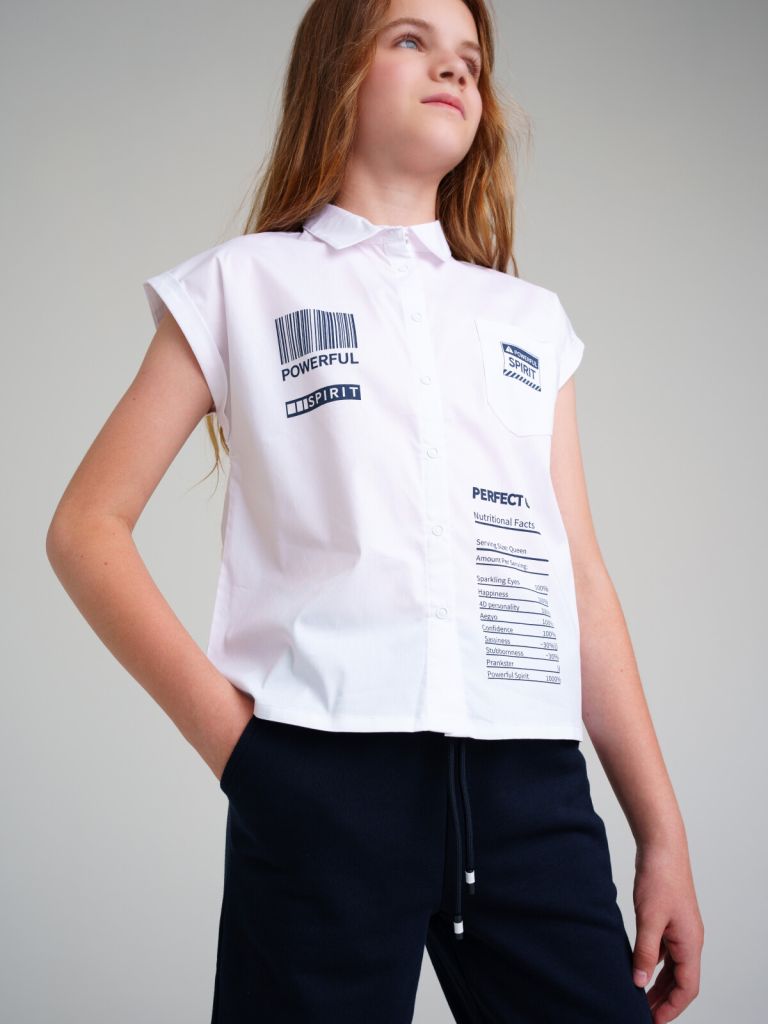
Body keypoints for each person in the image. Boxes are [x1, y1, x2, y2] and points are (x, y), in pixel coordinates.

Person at [45, 0, 704, 1021]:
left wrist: (661, 832)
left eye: (470, 59)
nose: (453, 70)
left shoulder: (529, 322)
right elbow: (86, 526)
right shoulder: (240, 286)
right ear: (337, 72)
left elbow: (578, 575)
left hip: (528, 787)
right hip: (322, 784)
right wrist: (242, 754)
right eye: (412, 40)